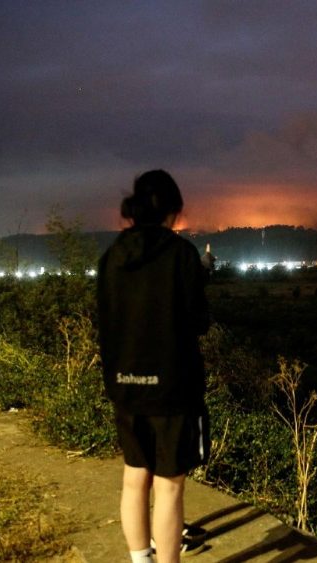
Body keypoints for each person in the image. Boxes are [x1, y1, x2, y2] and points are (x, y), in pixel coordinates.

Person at [97, 169, 210, 563]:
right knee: (169, 487)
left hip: (124, 386)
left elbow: (107, 320)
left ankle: (140, 558)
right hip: (172, 391)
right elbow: (198, 321)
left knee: (134, 478)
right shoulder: (181, 255)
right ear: (174, 210)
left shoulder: (111, 256)